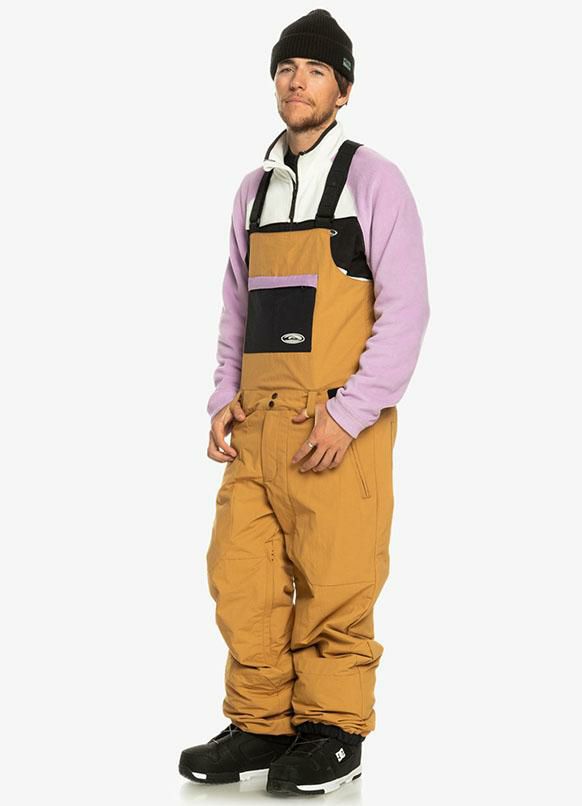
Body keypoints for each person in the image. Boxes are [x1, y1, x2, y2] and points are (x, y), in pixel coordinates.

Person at [179, 8, 430, 796]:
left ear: (342, 90)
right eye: (287, 68)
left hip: (335, 427)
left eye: (316, 70)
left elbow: (407, 312)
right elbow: (236, 306)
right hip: (256, 425)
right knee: (241, 578)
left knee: (337, 580)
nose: (298, 81)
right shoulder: (253, 190)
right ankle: (261, 722)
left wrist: (349, 414)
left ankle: (333, 732)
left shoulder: (373, 180)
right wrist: (223, 396)